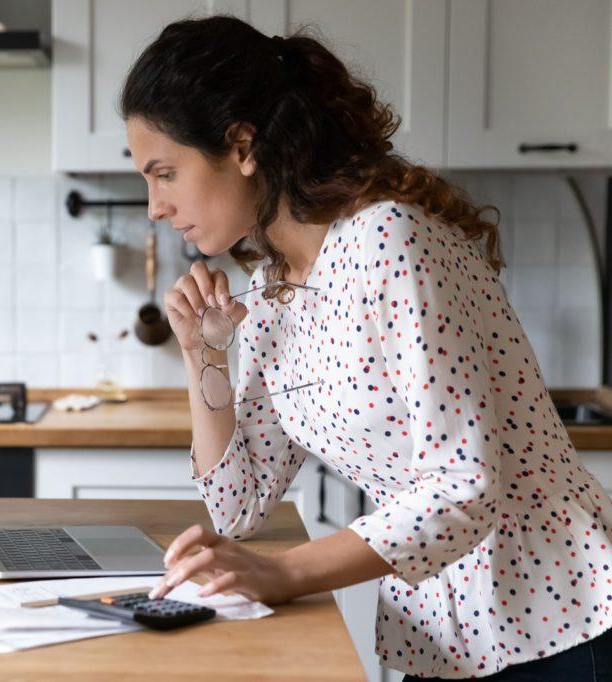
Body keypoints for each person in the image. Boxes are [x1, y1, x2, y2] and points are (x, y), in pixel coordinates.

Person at [120, 15, 612, 680]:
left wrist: (285, 573)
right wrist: (202, 354)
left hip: (562, 622)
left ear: (241, 146)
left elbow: (465, 487)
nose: (154, 205)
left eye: (164, 173)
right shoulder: (271, 293)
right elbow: (237, 509)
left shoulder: (389, 240)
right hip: (446, 640)